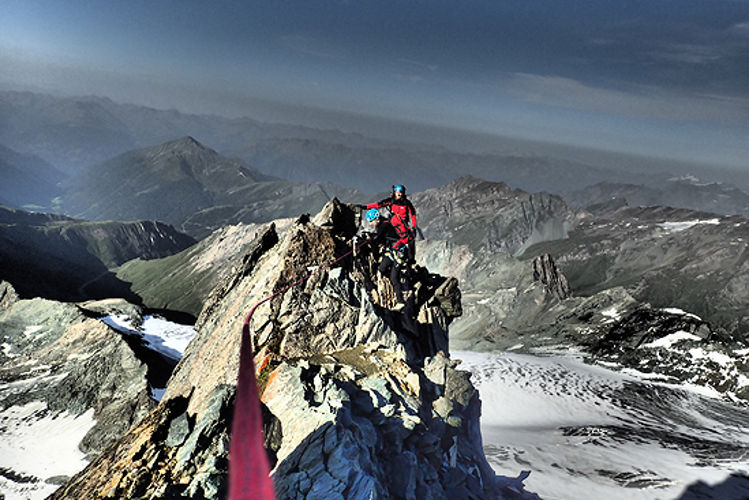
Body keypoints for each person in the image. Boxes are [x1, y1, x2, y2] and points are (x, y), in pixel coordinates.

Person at [364, 208, 411, 311]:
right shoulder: (384, 223)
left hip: (399, 253)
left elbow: (378, 239)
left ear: (376, 219)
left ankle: (400, 301)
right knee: (381, 269)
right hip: (392, 251)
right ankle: (386, 289)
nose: (371, 224)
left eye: (371, 221)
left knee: (394, 277)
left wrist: (370, 240)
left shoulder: (383, 226)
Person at [363, 185, 418, 264]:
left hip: (402, 226)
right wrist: (366, 207)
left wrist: (414, 227)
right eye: (397, 192)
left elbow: (413, 215)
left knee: (410, 239)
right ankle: (400, 257)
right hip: (393, 225)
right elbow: (379, 204)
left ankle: (410, 259)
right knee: (407, 239)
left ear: (403, 193)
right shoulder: (391, 201)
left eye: (400, 193)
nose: (399, 194)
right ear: (394, 192)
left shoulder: (407, 203)